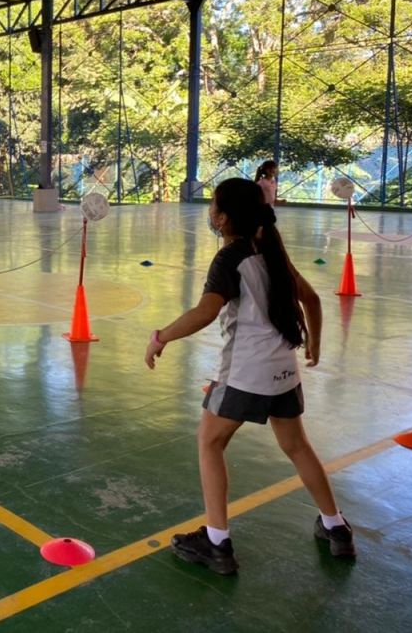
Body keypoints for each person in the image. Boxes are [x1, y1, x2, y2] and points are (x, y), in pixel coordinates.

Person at [145, 178, 353, 574]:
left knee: (209, 441)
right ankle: (336, 526)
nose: (209, 213)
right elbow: (310, 298)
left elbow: (205, 312)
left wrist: (160, 337)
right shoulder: (270, 247)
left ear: (223, 218)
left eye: (212, 207)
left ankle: (217, 542)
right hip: (284, 370)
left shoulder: (230, 259)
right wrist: (315, 344)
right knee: (297, 446)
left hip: (246, 372)